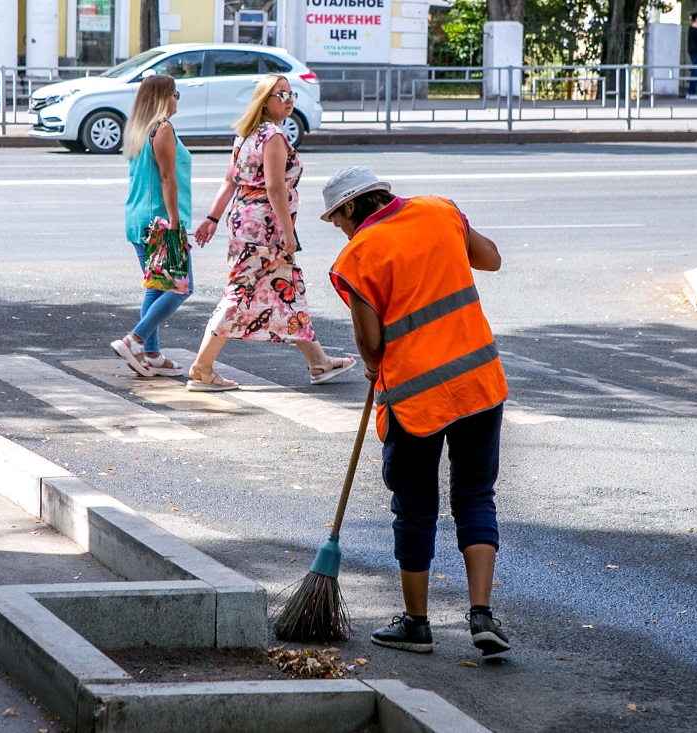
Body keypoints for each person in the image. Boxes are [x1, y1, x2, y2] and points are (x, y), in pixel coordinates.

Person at [323, 166, 510, 656]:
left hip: (415, 398)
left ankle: (417, 624)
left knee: (415, 508)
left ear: (349, 207)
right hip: (477, 382)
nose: (340, 230)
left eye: (337, 220)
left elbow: (371, 344)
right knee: (475, 495)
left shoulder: (357, 254)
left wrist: (370, 364)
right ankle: (481, 613)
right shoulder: (439, 210)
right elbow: (489, 259)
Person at [189, 75, 355, 392]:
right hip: (265, 228)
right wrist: (288, 233)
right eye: (281, 94)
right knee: (240, 292)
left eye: (291, 94)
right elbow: (274, 187)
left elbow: (230, 182)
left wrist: (212, 217)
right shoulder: (274, 136)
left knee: (286, 288)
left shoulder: (247, 135)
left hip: (244, 222)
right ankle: (202, 367)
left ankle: (318, 361)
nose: (288, 99)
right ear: (265, 100)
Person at [109, 74, 192, 378]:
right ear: (163, 97)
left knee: (156, 288)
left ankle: (152, 354)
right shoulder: (163, 128)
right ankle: (136, 339)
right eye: (175, 93)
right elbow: (167, 178)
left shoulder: (140, 129)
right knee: (182, 287)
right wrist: (174, 222)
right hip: (160, 220)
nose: (177, 99)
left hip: (138, 218)